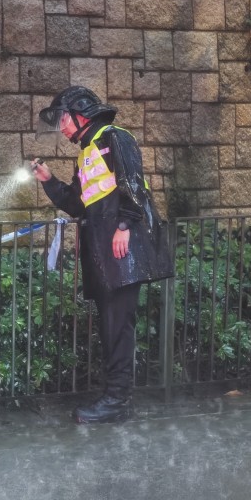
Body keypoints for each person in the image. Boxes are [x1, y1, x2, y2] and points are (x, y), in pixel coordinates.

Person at [31, 86, 173, 424]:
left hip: (122, 249)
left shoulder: (114, 137)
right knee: (113, 326)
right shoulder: (87, 152)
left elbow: (134, 184)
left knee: (117, 326)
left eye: (63, 118)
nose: (61, 127)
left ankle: (116, 401)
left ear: (82, 113)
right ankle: (114, 397)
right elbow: (77, 205)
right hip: (106, 254)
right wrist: (49, 180)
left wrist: (126, 224)